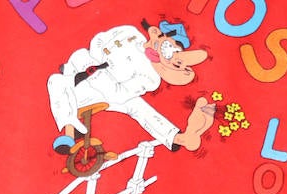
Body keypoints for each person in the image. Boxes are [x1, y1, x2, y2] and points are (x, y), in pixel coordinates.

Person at [46, 19, 217, 154]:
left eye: (170, 54)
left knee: (137, 106)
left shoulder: (151, 77)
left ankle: (178, 137)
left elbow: (119, 94)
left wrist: (98, 73)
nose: (164, 52)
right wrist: (93, 61)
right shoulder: (131, 33)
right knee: (56, 81)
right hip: (81, 75)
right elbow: (99, 40)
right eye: (166, 47)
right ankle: (69, 132)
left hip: (105, 92)